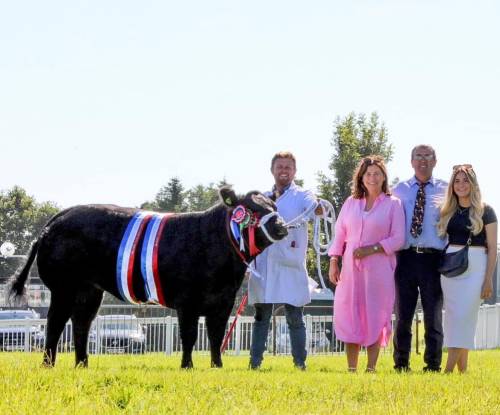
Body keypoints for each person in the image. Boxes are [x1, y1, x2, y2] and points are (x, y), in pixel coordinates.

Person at [328, 155, 405, 372]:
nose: (372, 178)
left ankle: (371, 368)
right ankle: (352, 369)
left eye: (377, 174)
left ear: (383, 178)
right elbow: (340, 234)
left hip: (379, 269)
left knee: (376, 314)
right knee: (349, 312)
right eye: (368, 174)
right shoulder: (351, 203)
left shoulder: (393, 204)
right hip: (350, 270)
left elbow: (399, 238)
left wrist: (372, 249)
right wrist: (334, 260)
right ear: (361, 177)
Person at [248, 151, 319, 370]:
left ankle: (300, 363)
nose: (284, 170)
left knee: (294, 317)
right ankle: (255, 363)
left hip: (290, 263)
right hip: (264, 264)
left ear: (295, 171)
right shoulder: (262, 197)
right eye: (280, 166)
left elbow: (314, 206)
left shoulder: (302, 195)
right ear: (272, 170)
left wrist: (320, 208)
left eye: (288, 167)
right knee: (261, 318)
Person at [392, 144, 448, 372]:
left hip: (433, 259)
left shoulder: (447, 189)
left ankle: (432, 365)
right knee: (403, 314)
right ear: (411, 161)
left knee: (433, 315)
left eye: (427, 156)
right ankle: (401, 364)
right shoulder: (398, 190)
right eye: (418, 156)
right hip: (405, 258)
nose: (423, 160)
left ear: (435, 160)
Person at [437, 164, 497, 373]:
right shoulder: (448, 210)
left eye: (465, 181)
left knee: (465, 317)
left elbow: (492, 248)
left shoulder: (485, 210)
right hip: (452, 269)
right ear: (452, 185)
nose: (461, 185)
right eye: (457, 181)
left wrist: (488, 278)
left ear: (473, 184)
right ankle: (462, 372)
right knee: (454, 318)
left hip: (477, 267)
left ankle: (447, 371)